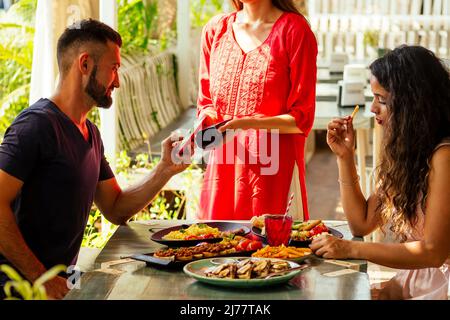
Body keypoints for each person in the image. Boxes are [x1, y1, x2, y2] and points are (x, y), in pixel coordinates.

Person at [0, 19, 188, 299]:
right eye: (114, 68)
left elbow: (115, 208)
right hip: (19, 290)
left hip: (62, 286)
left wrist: (164, 170)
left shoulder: (91, 134)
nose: (119, 81)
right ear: (85, 64)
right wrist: (42, 280)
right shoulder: (36, 126)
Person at [310, 45, 450, 300]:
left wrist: (351, 249)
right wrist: (345, 156)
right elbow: (361, 222)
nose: (372, 108)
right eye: (372, 96)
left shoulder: (444, 156)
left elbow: (433, 252)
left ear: (413, 104)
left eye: (381, 100)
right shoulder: (408, 153)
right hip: (417, 282)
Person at [196, 0, 317, 220]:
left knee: (276, 252)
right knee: (214, 249)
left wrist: (247, 123)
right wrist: (203, 125)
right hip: (222, 176)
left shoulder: (295, 31)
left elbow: (302, 119)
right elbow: (206, 103)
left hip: (274, 179)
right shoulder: (215, 30)